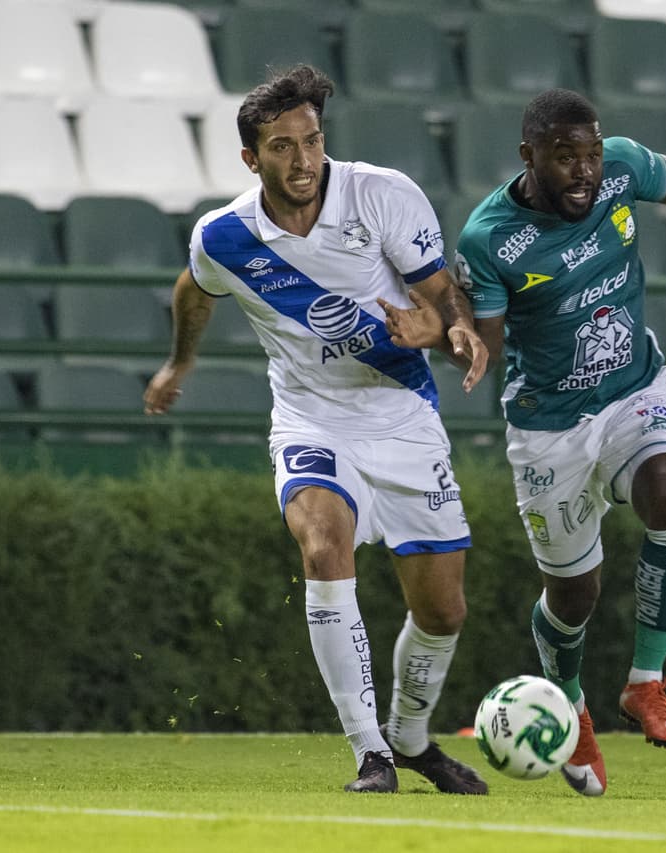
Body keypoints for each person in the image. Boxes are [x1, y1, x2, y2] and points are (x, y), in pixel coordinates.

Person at [143, 65, 491, 795]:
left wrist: (450, 328)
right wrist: (178, 363)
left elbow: (443, 298)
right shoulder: (224, 237)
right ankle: (371, 753)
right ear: (251, 158)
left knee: (443, 608)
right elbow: (193, 289)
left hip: (401, 416)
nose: (304, 161)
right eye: (282, 146)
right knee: (324, 545)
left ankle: (412, 738)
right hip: (311, 418)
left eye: (312, 140)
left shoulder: (382, 195)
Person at [430, 87, 666, 797]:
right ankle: (568, 701)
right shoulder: (489, 238)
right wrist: (458, 344)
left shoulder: (623, 170)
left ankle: (644, 683)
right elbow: (483, 344)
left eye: (591, 153)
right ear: (529, 156)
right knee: (574, 592)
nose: (583, 170)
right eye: (564, 156)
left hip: (635, 391)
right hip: (551, 428)